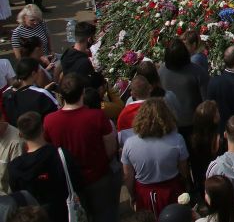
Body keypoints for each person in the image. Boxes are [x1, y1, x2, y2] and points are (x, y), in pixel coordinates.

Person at [42, 73, 118, 222]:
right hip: (98, 177)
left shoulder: (49, 121)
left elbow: (50, 150)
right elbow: (111, 148)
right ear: (83, 92)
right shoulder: (97, 116)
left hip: (70, 182)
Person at [121, 98, 190, 215]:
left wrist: (132, 196)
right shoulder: (177, 139)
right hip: (172, 191)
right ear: (167, 116)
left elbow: (128, 176)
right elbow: (183, 170)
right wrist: (186, 186)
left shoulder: (129, 143)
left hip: (144, 195)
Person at [9, 112, 77, 222]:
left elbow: (18, 194)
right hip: (64, 214)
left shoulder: (15, 166)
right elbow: (76, 181)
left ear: (20, 134)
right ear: (43, 128)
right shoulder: (61, 155)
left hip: (33, 218)